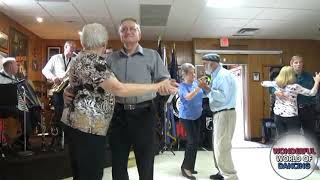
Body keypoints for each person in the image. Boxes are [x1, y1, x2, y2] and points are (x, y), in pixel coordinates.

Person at [61, 23, 177, 180]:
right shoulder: (107, 59)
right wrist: (68, 90)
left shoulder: (153, 56)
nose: (128, 31)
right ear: (117, 37)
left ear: (140, 34)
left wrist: (165, 86)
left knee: (145, 162)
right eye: (123, 29)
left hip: (144, 114)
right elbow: (102, 84)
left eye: (132, 29)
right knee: (118, 163)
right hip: (117, 116)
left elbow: (165, 80)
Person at [198, 53, 238, 180]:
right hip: (219, 114)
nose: (204, 66)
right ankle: (221, 172)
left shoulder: (223, 75)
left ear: (212, 63)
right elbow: (213, 95)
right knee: (217, 145)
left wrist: (207, 89)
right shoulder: (215, 75)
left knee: (222, 147)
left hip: (225, 113)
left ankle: (230, 176)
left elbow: (222, 97)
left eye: (205, 63)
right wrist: (205, 89)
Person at [261, 66, 320, 135]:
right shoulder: (295, 87)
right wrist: (317, 81)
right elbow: (312, 93)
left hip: (278, 115)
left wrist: (275, 91)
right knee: (293, 138)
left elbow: (262, 83)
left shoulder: (276, 83)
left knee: (281, 138)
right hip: (291, 115)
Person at [42, 41, 76, 147]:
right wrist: (53, 77)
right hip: (58, 89)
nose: (73, 51)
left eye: (74, 49)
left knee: (70, 111)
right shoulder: (55, 58)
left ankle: (68, 136)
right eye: (71, 49)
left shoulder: (75, 60)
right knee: (59, 112)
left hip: (70, 89)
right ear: (65, 47)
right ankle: (57, 136)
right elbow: (45, 70)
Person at [0, 57, 39, 149]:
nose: (18, 67)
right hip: (3, 106)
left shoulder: (15, 78)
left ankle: (22, 139)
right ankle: (23, 140)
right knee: (25, 113)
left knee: (34, 112)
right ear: (10, 66)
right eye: (16, 65)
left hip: (15, 105)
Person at [178, 63, 204, 180]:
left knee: (196, 141)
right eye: (191, 72)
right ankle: (185, 168)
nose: (194, 74)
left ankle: (190, 166)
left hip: (197, 116)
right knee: (192, 141)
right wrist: (198, 88)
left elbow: (203, 94)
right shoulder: (182, 86)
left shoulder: (196, 83)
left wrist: (204, 86)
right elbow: (188, 97)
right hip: (187, 117)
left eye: (194, 72)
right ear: (184, 74)